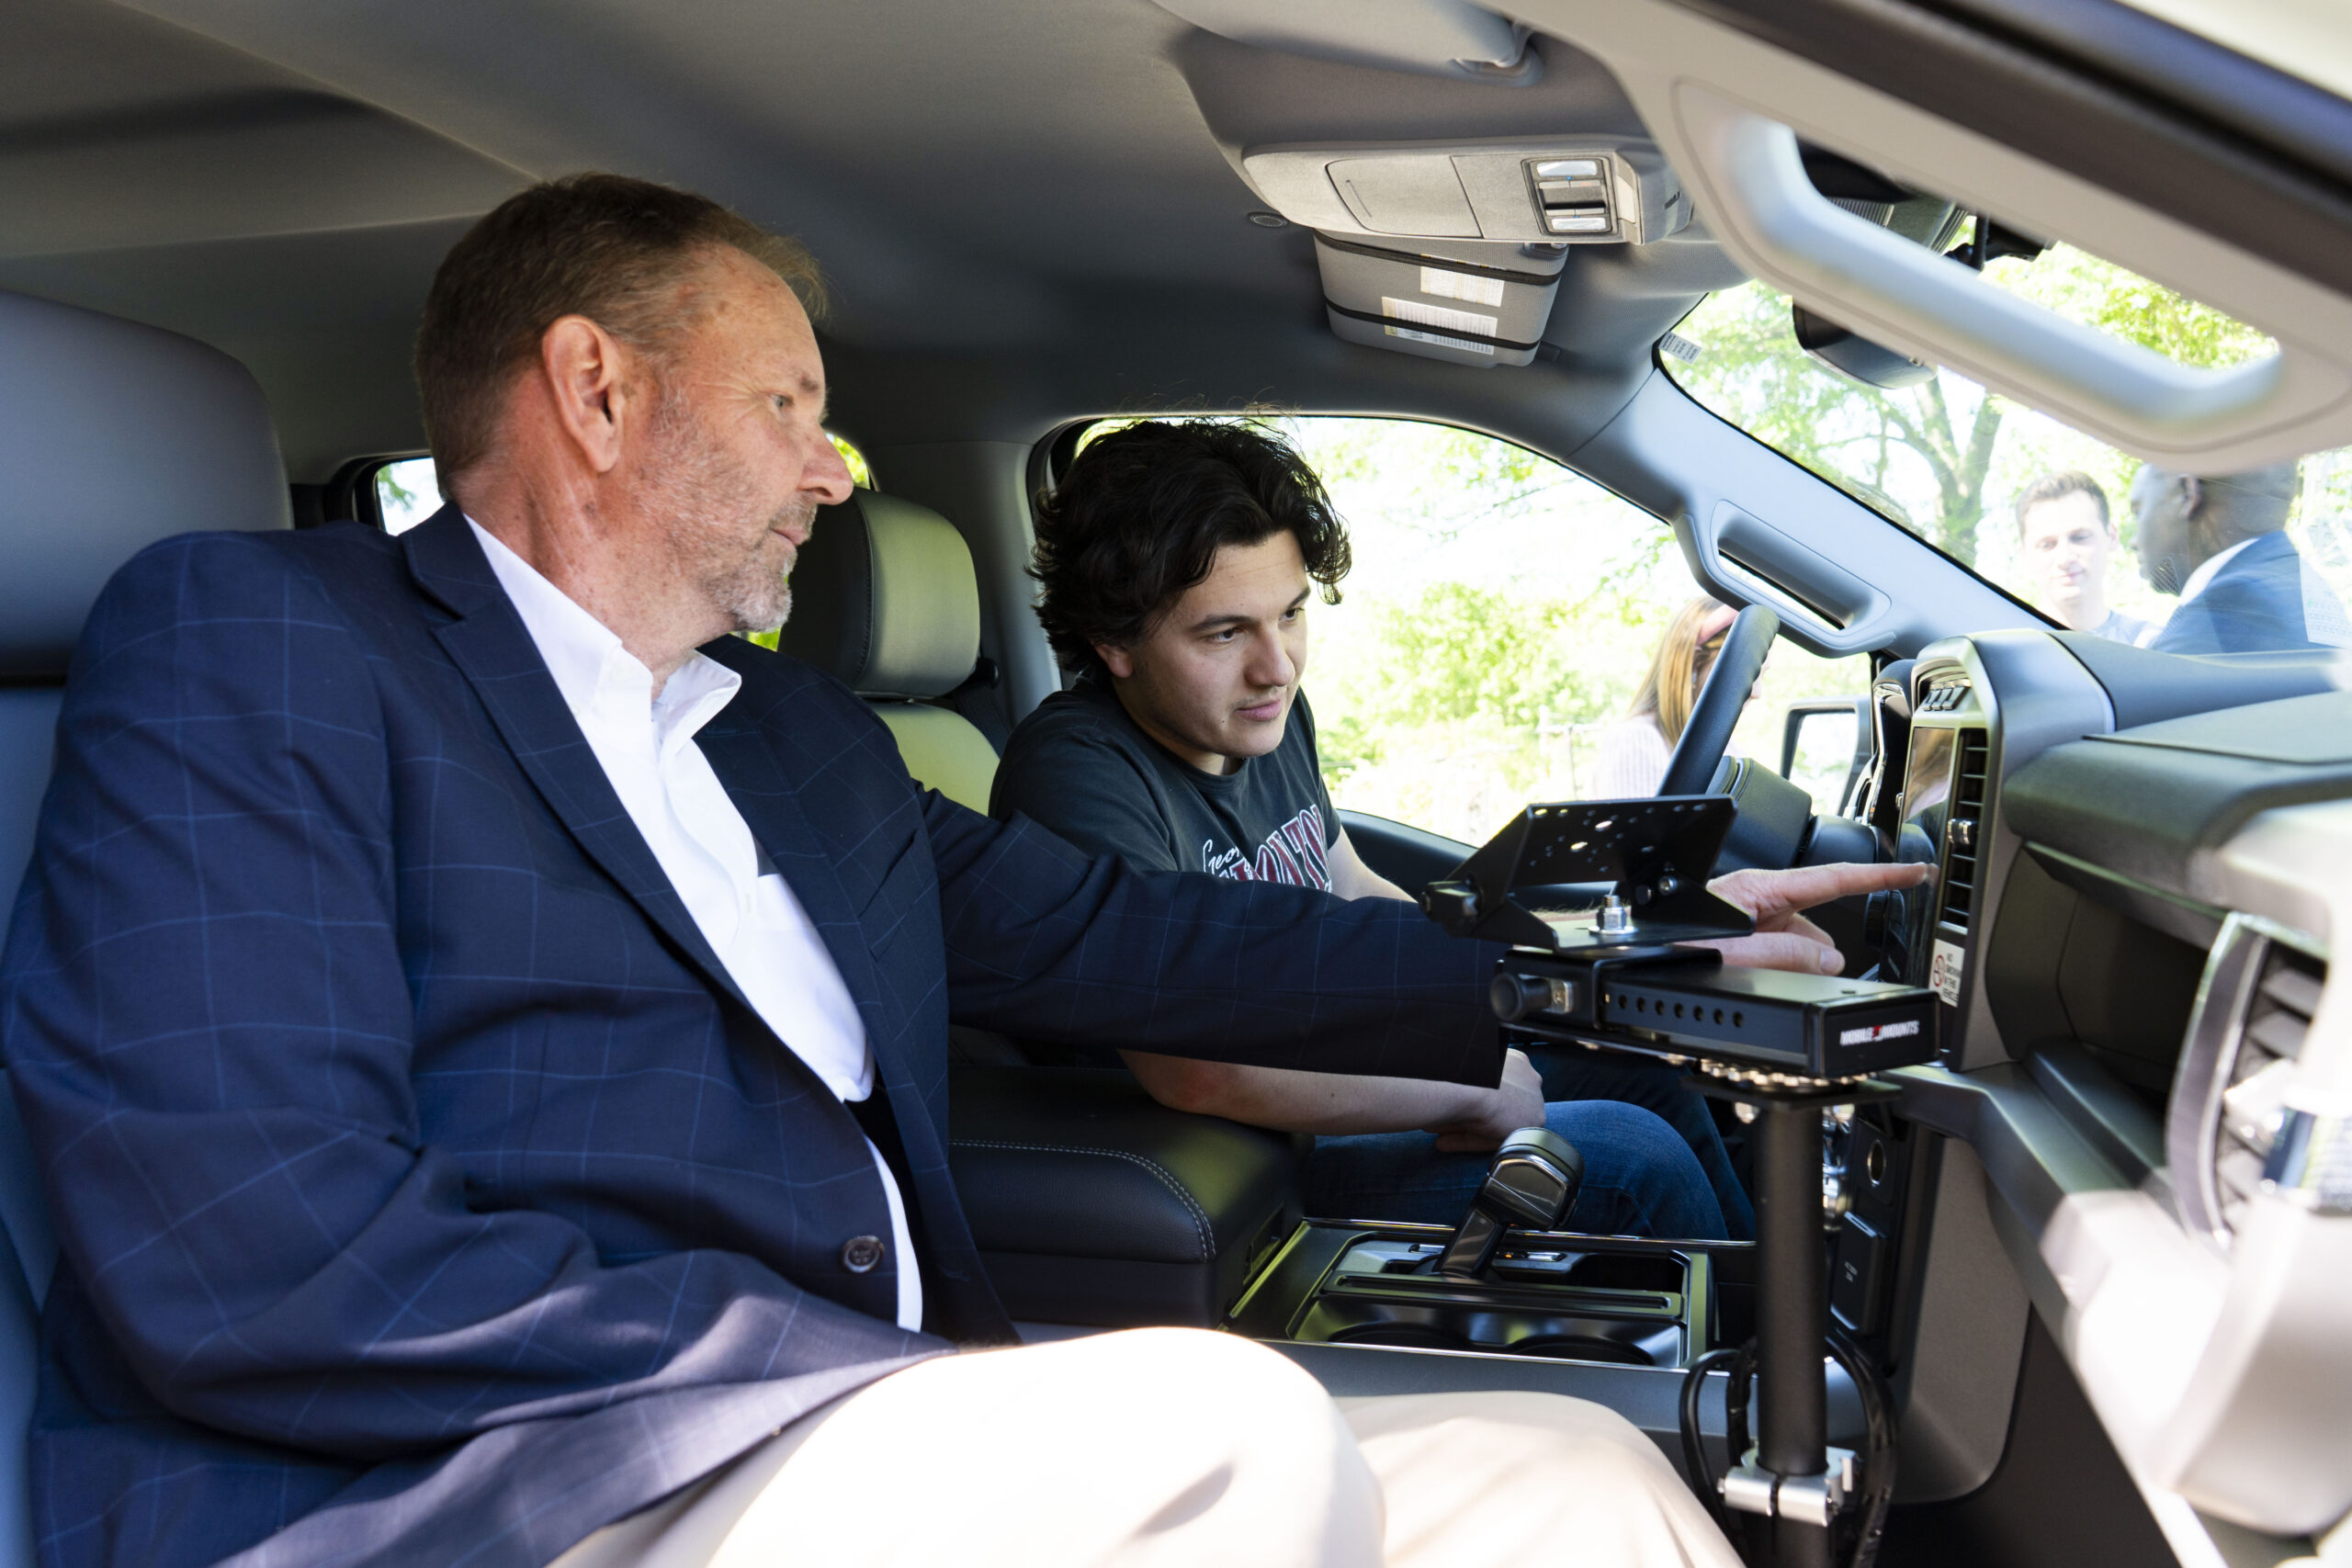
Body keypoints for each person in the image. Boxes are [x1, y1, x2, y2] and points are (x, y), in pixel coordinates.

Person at [0, 175, 1758, 1568]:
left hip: (847, 1436)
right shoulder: (264, 639)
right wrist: (857, 1384)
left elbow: (1117, 938)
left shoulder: (796, 733)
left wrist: (1594, 966)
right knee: (1237, 1437)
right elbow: (254, 1246)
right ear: (596, 392)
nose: (830, 474)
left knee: (1570, 1482)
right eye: (786, 406)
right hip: (481, 1486)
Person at [992, 420, 1922, 1245]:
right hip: (1234, 1157)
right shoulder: (1076, 774)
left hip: (1328, 1071)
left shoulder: (1259, 718)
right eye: (1222, 634)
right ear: (1112, 643)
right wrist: (1468, 1080)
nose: (1275, 667)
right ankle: (1738, 1409)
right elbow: (1198, 1068)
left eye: (1290, 614)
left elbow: (1350, 887)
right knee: (1631, 1154)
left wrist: (1619, 942)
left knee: (1654, 1082)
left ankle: (1766, 1341)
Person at [2133, 461, 2352, 655]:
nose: (2134, 541)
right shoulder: (2305, 586)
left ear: (2187, 494)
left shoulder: (2224, 608)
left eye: (2138, 511)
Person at [1589, 596, 1737, 797]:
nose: (1757, 693)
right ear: (1695, 664)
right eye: (1748, 673)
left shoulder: (1722, 744)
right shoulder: (1638, 740)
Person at [2013, 470, 2154, 643]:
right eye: (2047, 545)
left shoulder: (2152, 645)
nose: (2065, 558)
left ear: (2111, 536)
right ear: (2024, 555)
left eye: (2080, 538)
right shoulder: (2002, 652)